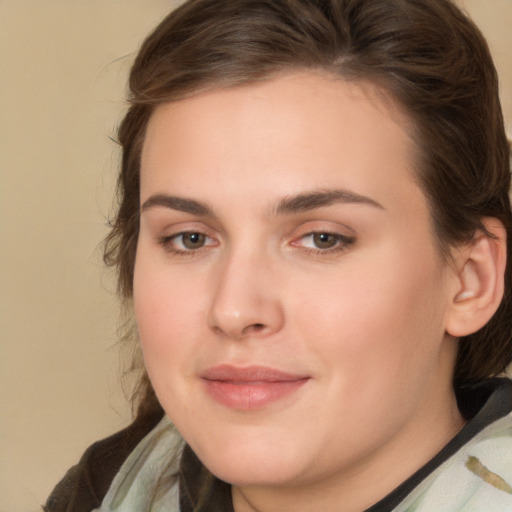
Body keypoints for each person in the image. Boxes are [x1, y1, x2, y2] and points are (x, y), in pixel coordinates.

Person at [44, 0, 512, 510]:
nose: (235, 310)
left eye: (322, 239)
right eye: (190, 238)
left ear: (471, 280)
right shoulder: (102, 490)